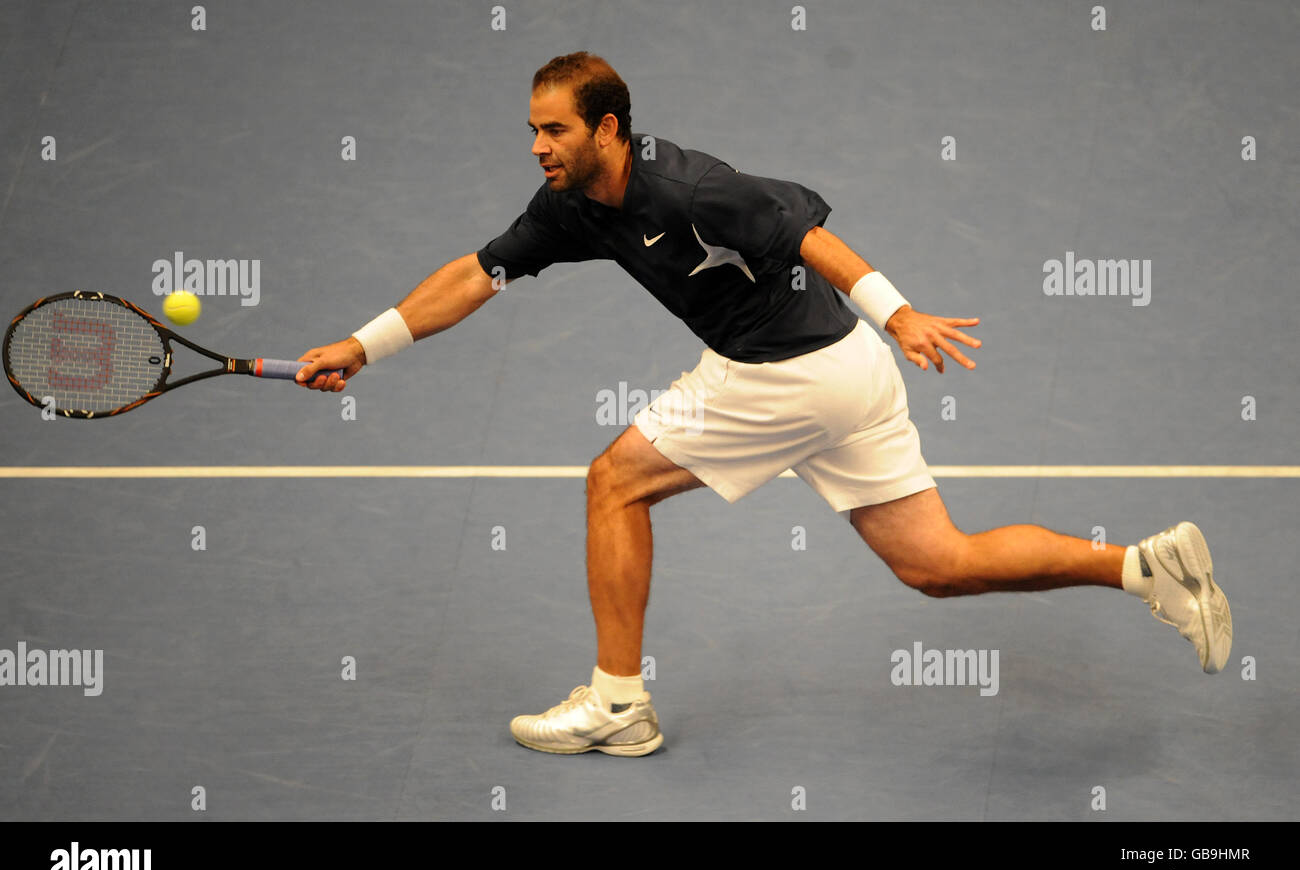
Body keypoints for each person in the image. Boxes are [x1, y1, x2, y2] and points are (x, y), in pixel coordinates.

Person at [296, 52, 1232, 758]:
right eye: (533, 132)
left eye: (556, 131)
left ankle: (618, 705)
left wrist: (901, 313)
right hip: (848, 375)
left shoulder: (694, 188)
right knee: (936, 564)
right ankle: (1143, 567)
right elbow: (475, 272)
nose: (540, 147)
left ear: (609, 130)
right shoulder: (572, 205)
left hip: (791, 373)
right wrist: (363, 344)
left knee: (613, 482)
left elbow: (812, 237)